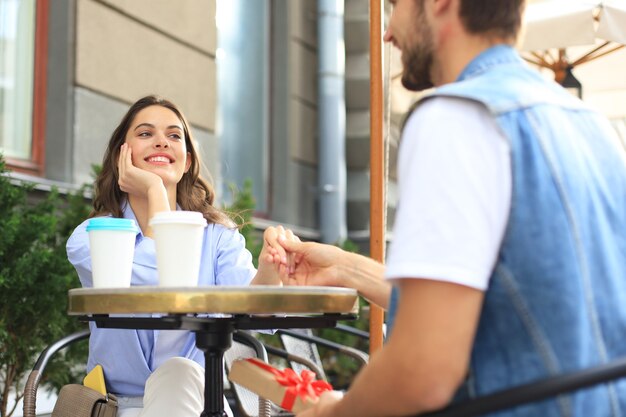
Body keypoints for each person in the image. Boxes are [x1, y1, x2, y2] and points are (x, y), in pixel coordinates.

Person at [278, 1, 626, 416]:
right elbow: (527, 305)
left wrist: (331, 412)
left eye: (397, 7)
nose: (388, 33)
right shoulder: (594, 125)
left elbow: (423, 370)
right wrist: (349, 270)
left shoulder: (456, 116)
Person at [66, 95, 293, 417]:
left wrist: (271, 268)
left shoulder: (217, 236)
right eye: (146, 134)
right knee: (178, 373)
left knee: (179, 372)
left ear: (186, 161)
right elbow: (163, 280)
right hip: (115, 407)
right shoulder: (93, 236)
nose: (161, 142)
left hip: (195, 400)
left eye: (174, 136)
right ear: (122, 156)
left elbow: (257, 312)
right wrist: (156, 192)